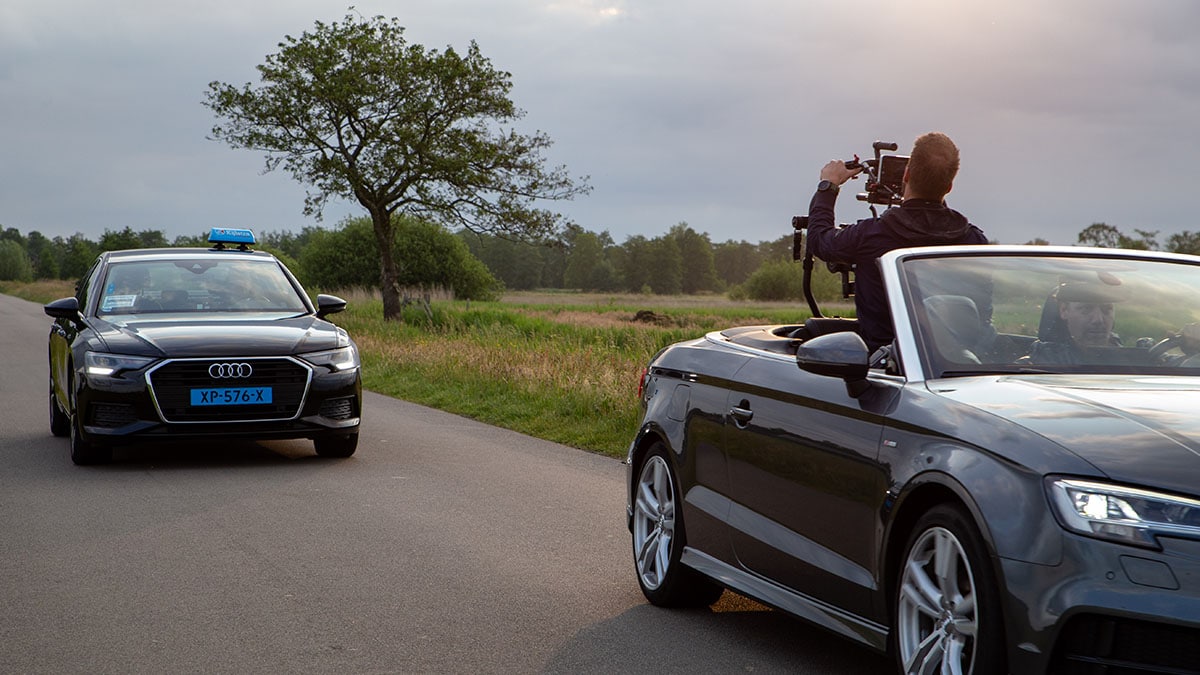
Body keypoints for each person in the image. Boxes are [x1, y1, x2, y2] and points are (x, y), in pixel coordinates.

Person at [806, 132, 988, 351]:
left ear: (907, 175)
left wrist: (828, 186)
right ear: (949, 186)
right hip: (953, 364)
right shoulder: (974, 241)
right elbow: (982, 312)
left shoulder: (871, 235)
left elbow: (819, 240)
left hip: (885, 363)